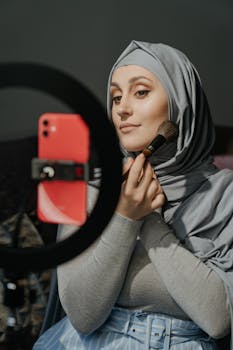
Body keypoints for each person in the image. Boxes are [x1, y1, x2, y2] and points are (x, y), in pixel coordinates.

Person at [33, 40, 232, 349]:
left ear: (181, 103)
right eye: (115, 97)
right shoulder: (87, 193)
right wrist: (124, 218)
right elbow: (83, 316)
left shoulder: (225, 195)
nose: (122, 108)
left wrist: (149, 220)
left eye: (140, 92)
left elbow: (218, 319)